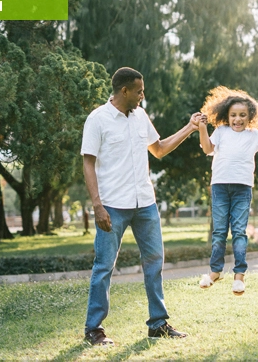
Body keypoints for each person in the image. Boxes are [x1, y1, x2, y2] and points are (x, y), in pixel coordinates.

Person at [81, 67, 198, 345]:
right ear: (124, 91)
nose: (142, 96)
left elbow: (158, 149)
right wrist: (97, 205)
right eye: (139, 91)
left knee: (155, 262)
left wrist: (190, 127)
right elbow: (88, 162)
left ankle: (158, 324)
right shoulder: (98, 119)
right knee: (104, 266)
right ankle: (93, 329)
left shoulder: (141, 116)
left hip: (145, 203)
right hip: (112, 205)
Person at [196, 86, 258, 296]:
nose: (237, 119)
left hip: (242, 188)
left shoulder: (254, 135)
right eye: (233, 115)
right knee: (219, 231)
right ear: (226, 116)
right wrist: (202, 128)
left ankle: (239, 276)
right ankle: (215, 272)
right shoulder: (221, 131)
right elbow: (207, 149)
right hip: (220, 186)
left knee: (239, 231)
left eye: (242, 115)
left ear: (250, 117)